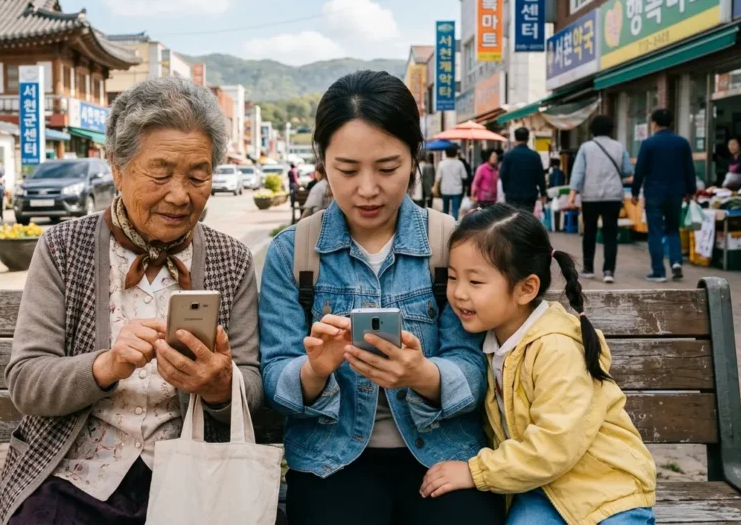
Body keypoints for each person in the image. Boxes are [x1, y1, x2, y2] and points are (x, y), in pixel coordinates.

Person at [0, 76, 263, 525]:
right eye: (160, 173)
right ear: (117, 168)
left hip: (193, 478)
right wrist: (106, 365)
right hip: (73, 476)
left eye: (198, 176)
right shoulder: (63, 248)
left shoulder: (230, 258)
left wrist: (219, 385)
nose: (179, 195)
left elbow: (251, 385)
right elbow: (26, 382)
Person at [259, 70, 500, 525]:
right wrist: (315, 370)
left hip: (443, 453)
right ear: (322, 161)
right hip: (330, 460)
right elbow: (275, 376)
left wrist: (423, 375)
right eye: (347, 170)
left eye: (388, 168)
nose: (367, 189)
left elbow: (474, 367)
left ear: (414, 157)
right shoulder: (293, 252)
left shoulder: (450, 242)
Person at [419, 204, 657, 525]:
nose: (458, 293)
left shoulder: (555, 347)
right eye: (452, 277)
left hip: (606, 491)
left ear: (526, 289)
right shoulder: (490, 343)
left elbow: (553, 444)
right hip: (540, 490)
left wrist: (476, 472)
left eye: (475, 282)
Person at [566, 115, 634, 284]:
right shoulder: (619, 147)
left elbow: (578, 173)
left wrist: (572, 196)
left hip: (590, 196)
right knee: (611, 233)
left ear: (592, 130)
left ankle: (588, 269)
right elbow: (627, 170)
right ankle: (609, 271)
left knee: (589, 231)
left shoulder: (586, 148)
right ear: (611, 130)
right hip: (613, 196)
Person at [631, 109, 696, 282]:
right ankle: (676, 262)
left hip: (654, 193)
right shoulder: (682, 143)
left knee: (655, 232)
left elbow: (640, 170)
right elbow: (689, 169)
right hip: (676, 193)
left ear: (654, 123)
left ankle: (658, 271)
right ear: (671, 123)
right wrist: (690, 190)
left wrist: (635, 192)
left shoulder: (648, 144)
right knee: (673, 229)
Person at [499, 128, 547, 215]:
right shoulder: (535, 156)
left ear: (515, 138)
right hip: (529, 196)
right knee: (526, 219)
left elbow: (503, 174)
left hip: (512, 195)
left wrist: (506, 189)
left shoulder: (508, 155)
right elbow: (540, 176)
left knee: (512, 219)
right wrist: (543, 192)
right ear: (528, 138)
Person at [436, 146, 469, 217]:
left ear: (446, 153)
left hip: (445, 190)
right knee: (455, 210)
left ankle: (445, 223)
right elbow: (464, 176)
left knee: (445, 210)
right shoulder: (460, 163)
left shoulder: (441, 163)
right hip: (457, 190)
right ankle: (454, 223)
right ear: (455, 153)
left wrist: (435, 187)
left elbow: (438, 178)